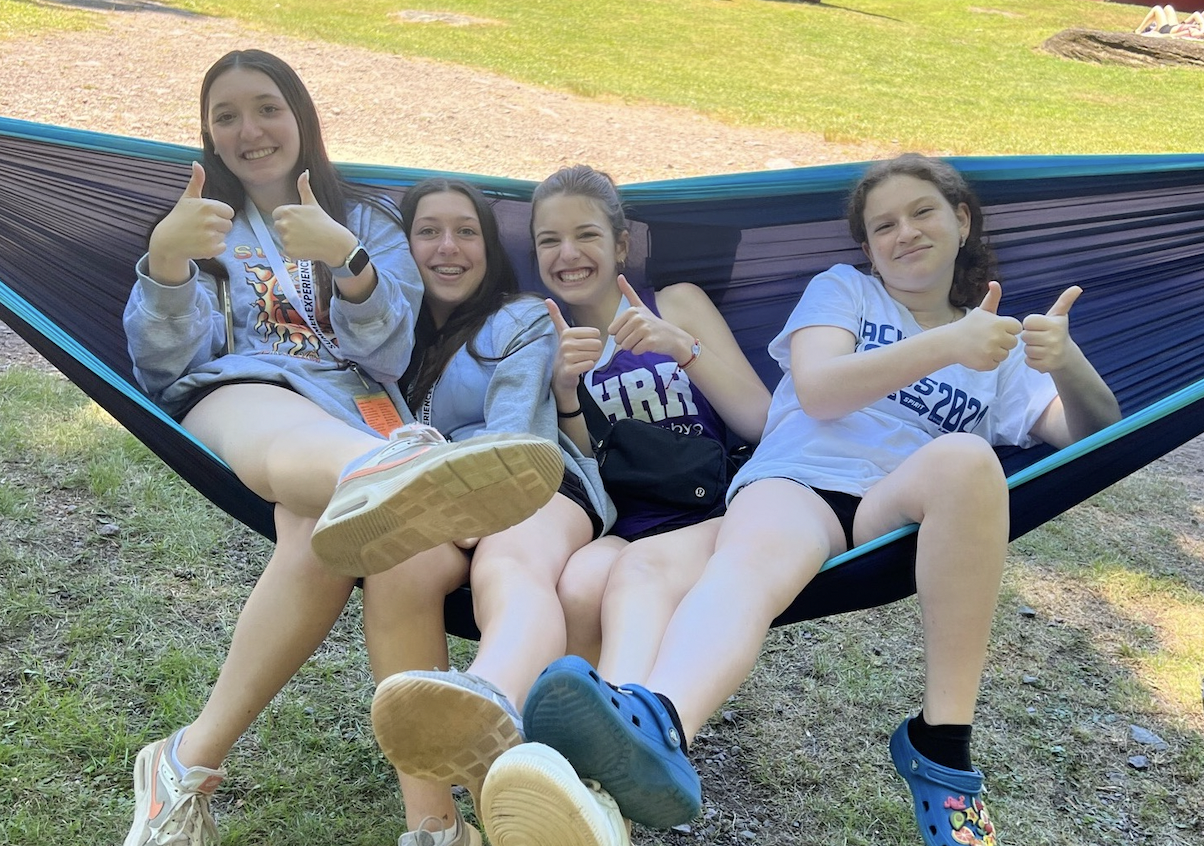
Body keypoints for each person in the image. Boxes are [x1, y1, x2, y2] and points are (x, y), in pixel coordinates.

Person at [509, 153, 1121, 846]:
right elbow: (822, 390)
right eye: (883, 224)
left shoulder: (996, 348)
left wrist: (1065, 359)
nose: (904, 233)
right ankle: (611, 767)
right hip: (798, 482)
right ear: (866, 247)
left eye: (922, 213)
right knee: (646, 570)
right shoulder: (844, 293)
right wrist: (949, 344)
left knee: (968, 459)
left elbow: (1097, 437)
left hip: (889, 505)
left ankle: (941, 742)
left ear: (961, 219)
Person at [121, 50, 557, 846]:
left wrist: (345, 260)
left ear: (302, 116)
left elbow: (390, 352)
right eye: (227, 115)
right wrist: (168, 261)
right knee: (350, 476)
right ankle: (398, 474)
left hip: (359, 410)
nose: (249, 129)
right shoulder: (198, 220)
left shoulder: (365, 218)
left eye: (267, 107)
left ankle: (201, 766)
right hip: (241, 396)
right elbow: (164, 365)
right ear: (210, 136)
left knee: (382, 552)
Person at [477, 164, 771, 846]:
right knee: (580, 582)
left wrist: (683, 350)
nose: (567, 254)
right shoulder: (550, 338)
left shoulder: (677, 303)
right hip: (628, 522)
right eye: (549, 241)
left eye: (585, 235)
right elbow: (594, 474)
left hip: (713, 516)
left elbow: (758, 419)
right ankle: (564, 772)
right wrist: (567, 392)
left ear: (621, 245)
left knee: (626, 578)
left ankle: (596, 788)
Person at [362, 178, 613, 846]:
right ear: (400, 245)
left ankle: (490, 697)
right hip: (434, 504)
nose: (448, 247)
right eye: (428, 231)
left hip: (533, 485)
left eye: (466, 231)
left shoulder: (522, 317)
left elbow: (515, 432)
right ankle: (435, 829)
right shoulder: (384, 334)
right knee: (397, 569)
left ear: (488, 248)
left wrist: (470, 505)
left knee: (507, 562)